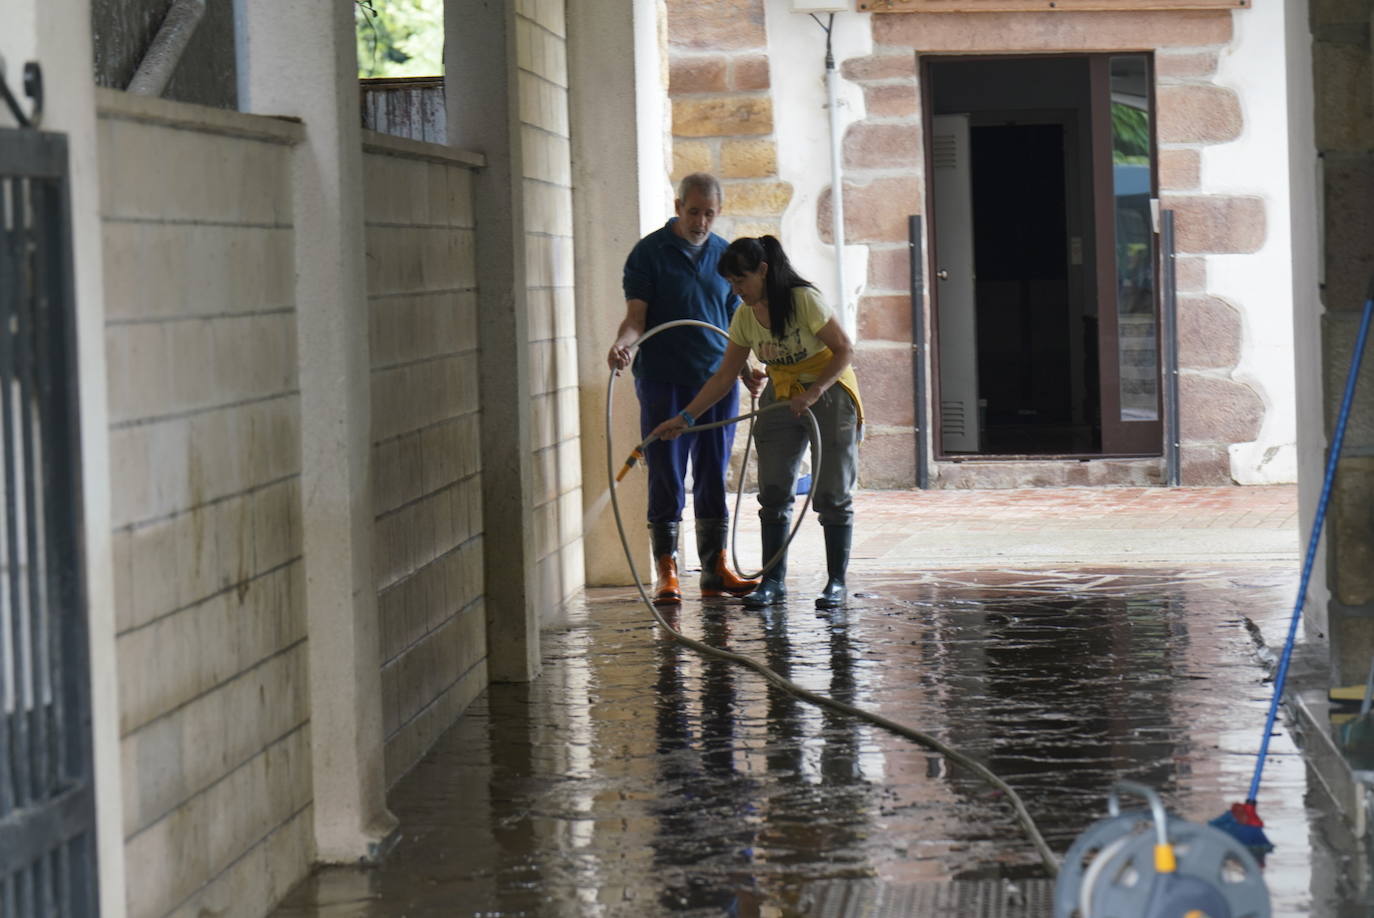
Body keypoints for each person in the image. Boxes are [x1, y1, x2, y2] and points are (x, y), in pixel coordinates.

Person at [650, 236, 863, 610]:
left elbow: (844, 348)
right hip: (780, 395)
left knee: (831, 493)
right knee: (774, 490)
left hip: (828, 392)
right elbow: (723, 376)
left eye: (741, 280)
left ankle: (835, 583)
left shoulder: (802, 301)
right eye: (731, 283)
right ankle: (773, 581)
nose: (736, 289)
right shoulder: (745, 316)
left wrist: (812, 393)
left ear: (763, 271)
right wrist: (685, 418)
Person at [607, 173, 761, 605]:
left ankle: (715, 567)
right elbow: (636, 317)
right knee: (666, 471)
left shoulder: (724, 255)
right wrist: (622, 346)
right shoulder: (649, 254)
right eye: (693, 212)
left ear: (718, 213)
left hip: (717, 379)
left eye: (709, 214)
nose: (700, 222)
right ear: (678, 207)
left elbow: (736, 323)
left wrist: (747, 367)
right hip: (662, 379)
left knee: (713, 471)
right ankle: (666, 570)